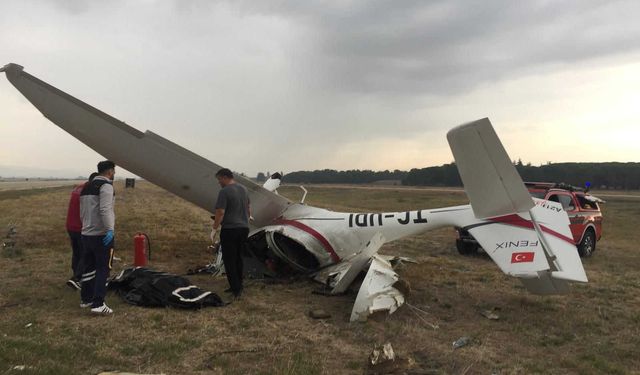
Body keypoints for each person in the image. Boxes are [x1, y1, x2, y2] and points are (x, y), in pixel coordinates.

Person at [79, 160, 116, 315]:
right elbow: (106, 209)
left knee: (88, 267)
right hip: (101, 235)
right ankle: (98, 303)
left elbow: (82, 211)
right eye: (113, 171)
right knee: (103, 269)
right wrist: (110, 230)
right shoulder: (106, 186)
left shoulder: (86, 187)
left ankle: (86, 299)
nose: (114, 173)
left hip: (86, 233)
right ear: (109, 171)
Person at [211, 168, 250, 298]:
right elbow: (248, 208)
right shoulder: (243, 189)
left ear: (224, 177)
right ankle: (239, 285)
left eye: (219, 180)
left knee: (229, 259)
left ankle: (236, 289)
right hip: (244, 228)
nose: (219, 183)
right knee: (239, 258)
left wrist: (214, 229)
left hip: (230, 229)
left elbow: (220, 212)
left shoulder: (224, 191)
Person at [65, 172, 98, 290]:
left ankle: (76, 274)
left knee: (77, 252)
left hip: (70, 226)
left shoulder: (78, 188)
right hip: (80, 227)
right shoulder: (88, 191)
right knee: (86, 253)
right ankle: (77, 279)